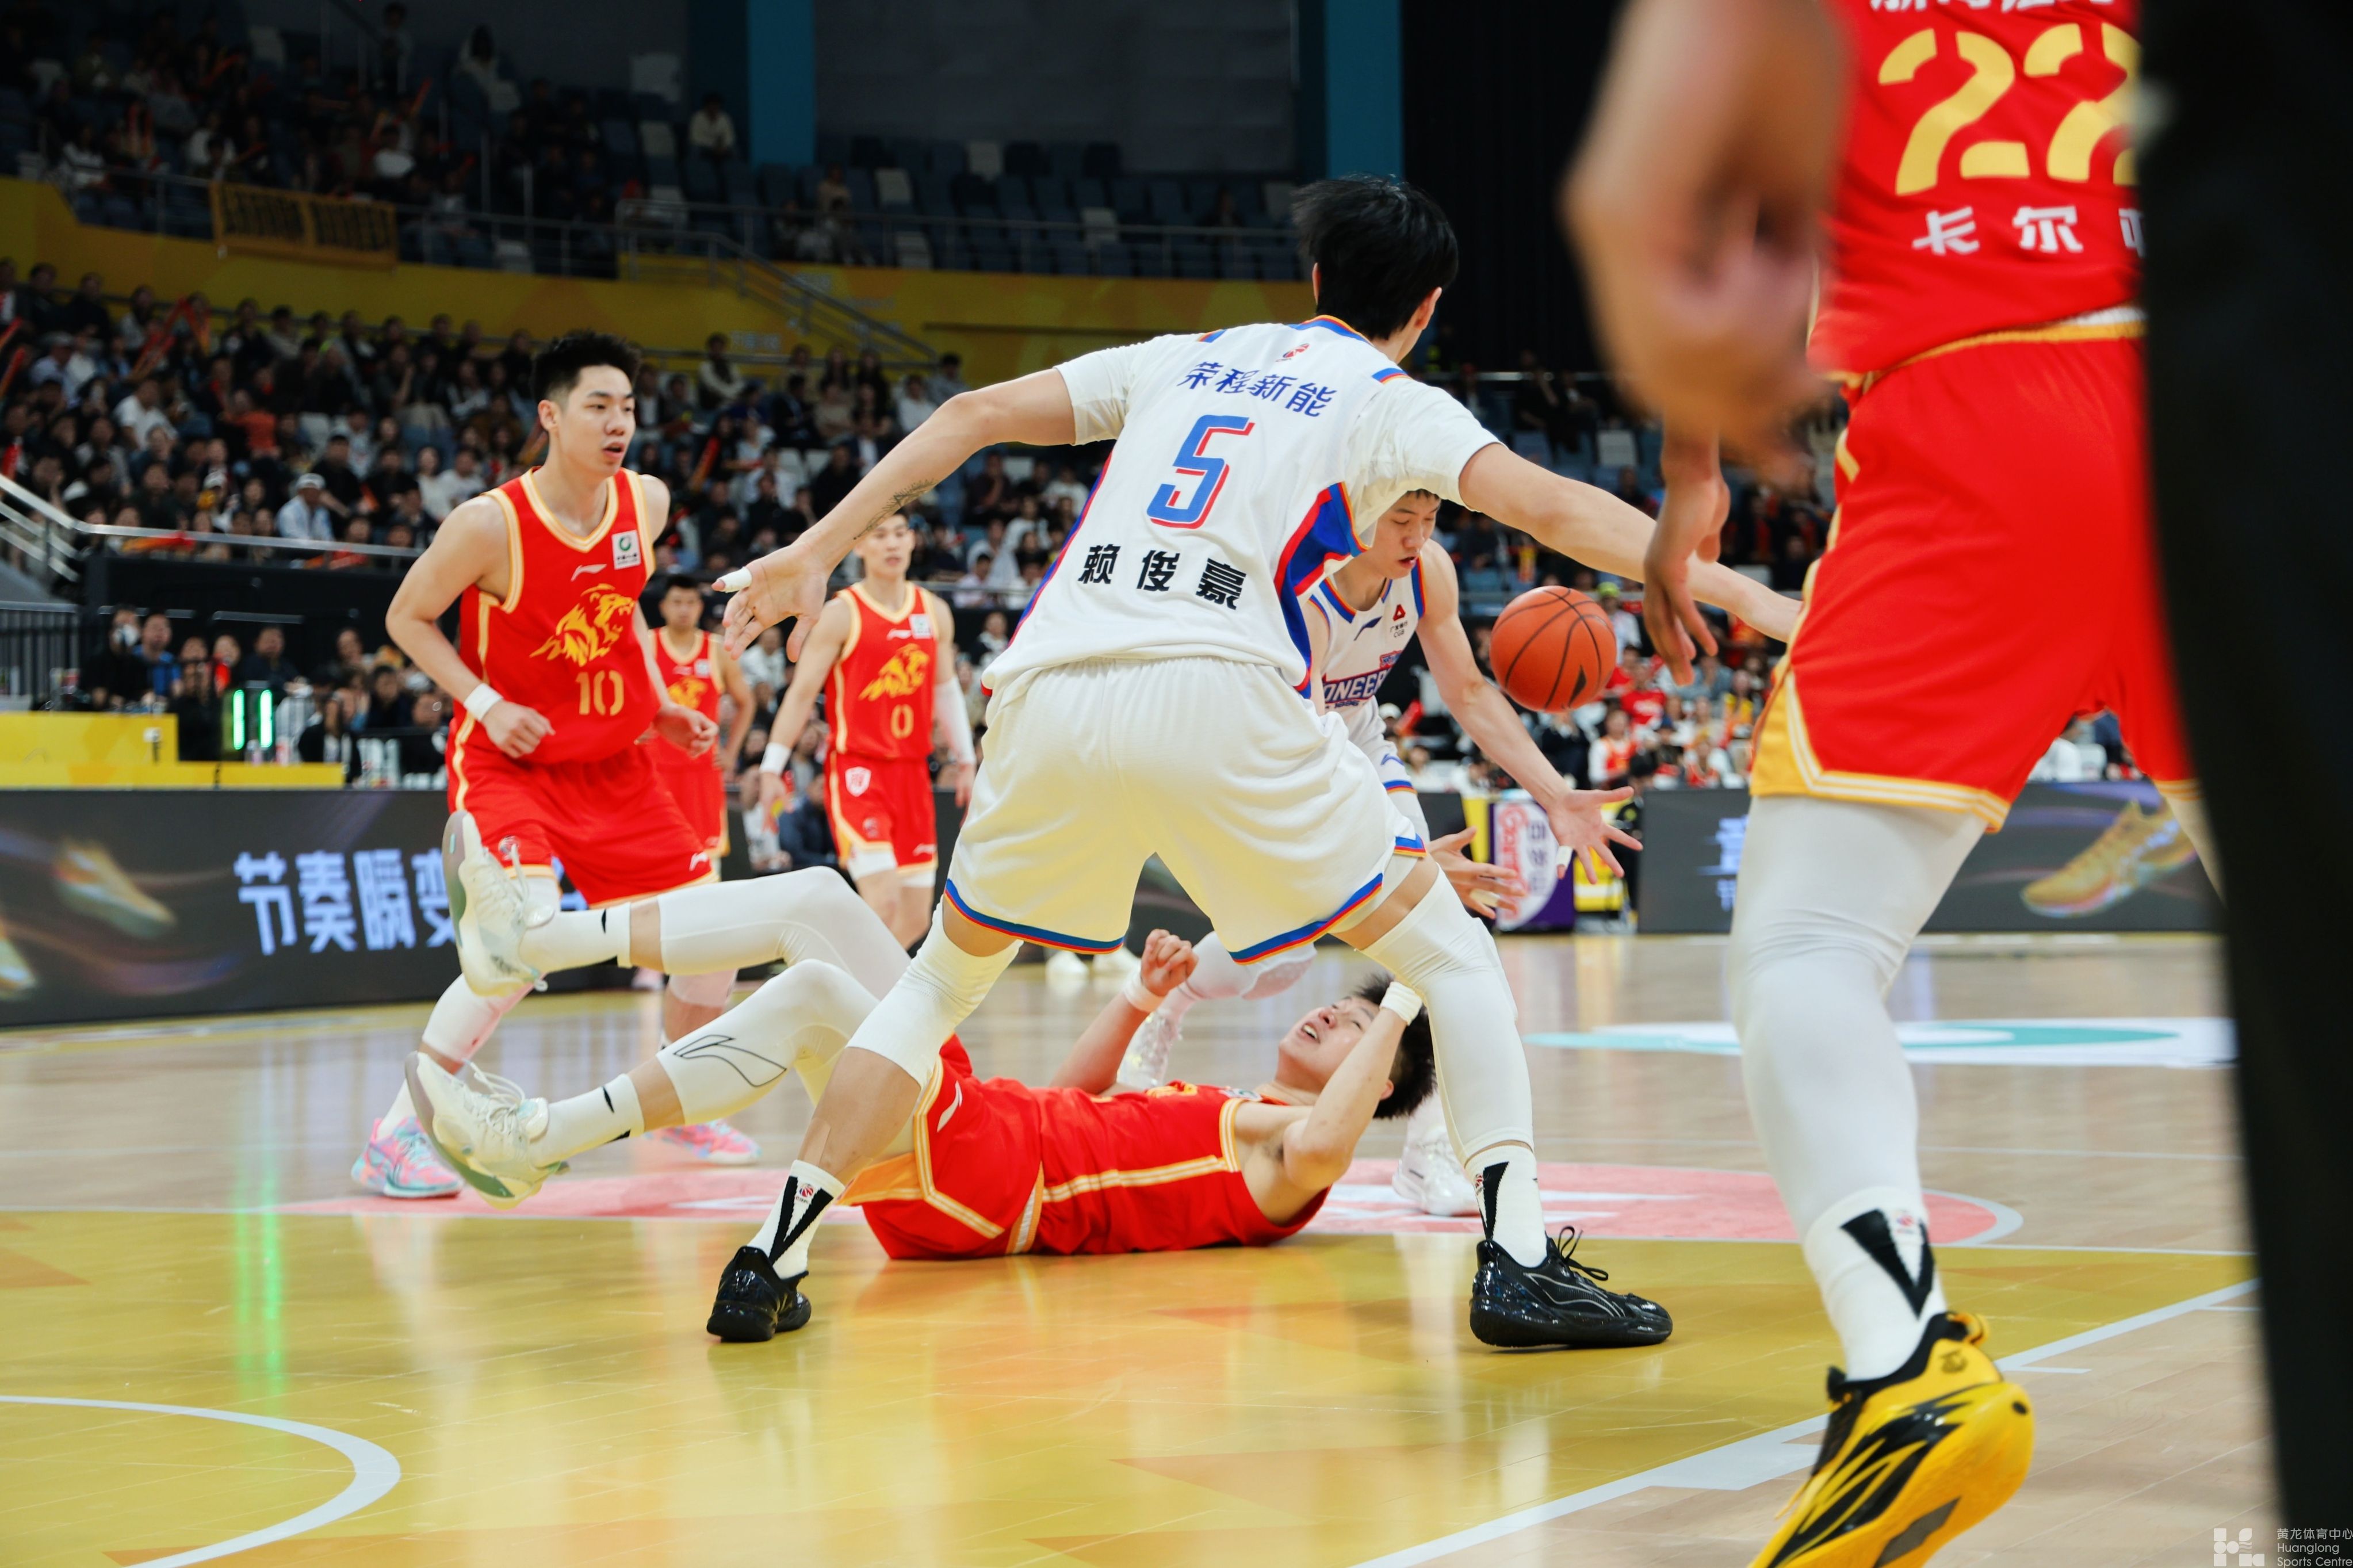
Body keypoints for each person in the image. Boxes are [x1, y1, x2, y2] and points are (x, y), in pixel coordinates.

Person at [702, 176, 1777, 1351]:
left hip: (1051, 681)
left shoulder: (1188, 357)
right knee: (1453, 960)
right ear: (1424, 310)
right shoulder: (1390, 403)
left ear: (1314, 280)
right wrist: (1748, 598)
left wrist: (815, 547)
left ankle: (771, 1257)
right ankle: (1517, 1262)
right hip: (1218, 687)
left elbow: (970, 413)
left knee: (931, 990)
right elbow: (1554, 508)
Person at [1569, 2, 2216, 1561]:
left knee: (1809, 945)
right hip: (2227, 405)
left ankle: (1903, 1362)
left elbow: (1671, 219)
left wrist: (1692, 476)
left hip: (1969, 423)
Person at [1124, 485, 1803, 1219]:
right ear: (1357, 510)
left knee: (1450, 947)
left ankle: (1429, 1154)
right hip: (1273, 759)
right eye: (1400, 520)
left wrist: (1554, 794)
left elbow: (1471, 691)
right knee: (1281, 956)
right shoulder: (1297, 584)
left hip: (1355, 742)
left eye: (1429, 519)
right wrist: (1402, 855)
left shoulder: (1428, 572)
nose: (1417, 536)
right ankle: (1168, 999)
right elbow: (1303, 758)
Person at [404, 897, 1443, 1343]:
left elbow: (1327, 1142)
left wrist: (1409, 987)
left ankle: (537, 1140)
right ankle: (533, 941)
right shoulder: (1225, 1108)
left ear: (1375, 1086)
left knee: (817, 991)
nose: (1331, 1014)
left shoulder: (1286, 1157)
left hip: (989, 1184)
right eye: (1343, 1004)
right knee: (819, 902)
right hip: (985, 1126)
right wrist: (1137, 998)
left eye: (1355, 1028)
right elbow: (1072, 1098)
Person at [755, 514, 975, 945]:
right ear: (859, 546)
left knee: (915, 917)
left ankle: (845, 978)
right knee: (883, 901)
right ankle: (833, 976)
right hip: (859, 770)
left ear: (912, 541)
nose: (891, 544)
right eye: (879, 535)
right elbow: (801, 695)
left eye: (900, 534)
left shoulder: (934, 612)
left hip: (912, 773)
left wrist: (966, 759)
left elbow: (946, 690)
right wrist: (770, 768)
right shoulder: (842, 613)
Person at [649, 572, 753, 863]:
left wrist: (731, 752)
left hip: (701, 772)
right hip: (655, 768)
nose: (684, 609)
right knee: (654, 856)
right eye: (677, 602)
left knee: (706, 861)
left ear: (699, 607)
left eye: (690, 602)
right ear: (663, 607)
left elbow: (747, 703)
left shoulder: (717, 650)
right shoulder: (648, 644)